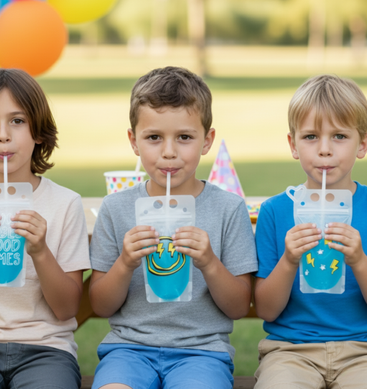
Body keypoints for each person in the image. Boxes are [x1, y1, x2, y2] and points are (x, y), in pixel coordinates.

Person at [89, 66, 258, 389]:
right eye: (154, 138)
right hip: (128, 351)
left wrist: (209, 261)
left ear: (207, 140)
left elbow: (238, 307)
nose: (169, 152)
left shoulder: (228, 208)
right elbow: (100, 304)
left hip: (202, 353)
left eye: (184, 137)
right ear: (133, 141)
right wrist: (125, 263)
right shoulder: (116, 208)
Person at [0, 68, 91, 389]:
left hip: (46, 349)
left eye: (17, 120)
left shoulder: (65, 203)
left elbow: (67, 308)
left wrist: (40, 251)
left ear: (39, 132)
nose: (3, 134)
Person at [254, 74, 367, 388]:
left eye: (340, 136)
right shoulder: (275, 211)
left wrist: (359, 260)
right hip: (291, 351)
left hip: (362, 351)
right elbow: (266, 309)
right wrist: (289, 260)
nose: (325, 149)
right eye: (311, 137)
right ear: (293, 144)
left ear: (363, 144)